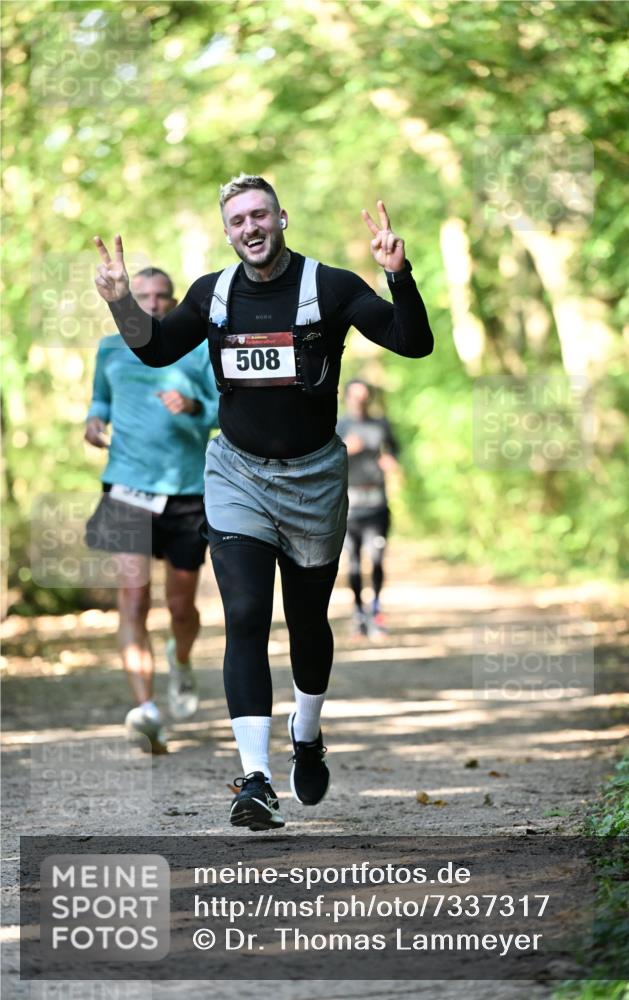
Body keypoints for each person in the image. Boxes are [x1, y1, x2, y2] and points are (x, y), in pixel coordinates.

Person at [92, 174, 433, 829]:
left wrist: (397, 273)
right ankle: (255, 779)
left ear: (281, 218)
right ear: (228, 231)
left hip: (313, 479)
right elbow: (157, 346)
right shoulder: (212, 294)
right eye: (237, 219)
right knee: (246, 613)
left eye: (259, 215)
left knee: (307, 623)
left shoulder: (329, 287)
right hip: (237, 475)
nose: (249, 227)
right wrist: (119, 303)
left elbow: (411, 341)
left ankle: (307, 734)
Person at [85, 267, 219, 754]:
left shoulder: (199, 348)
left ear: (174, 300)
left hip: (186, 493)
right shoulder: (110, 348)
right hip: (127, 488)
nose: (155, 303)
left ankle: (180, 662)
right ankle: (146, 709)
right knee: (134, 599)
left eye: (164, 296)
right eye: (144, 296)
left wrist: (195, 407)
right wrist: (95, 417)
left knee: (181, 607)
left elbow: (226, 409)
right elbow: (101, 396)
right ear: (130, 299)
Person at [337, 379, 400, 639]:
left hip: (377, 504)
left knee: (375, 559)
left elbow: (396, 448)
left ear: (369, 399)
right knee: (352, 563)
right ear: (348, 398)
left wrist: (391, 459)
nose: (360, 401)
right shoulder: (339, 426)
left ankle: (376, 610)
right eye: (355, 397)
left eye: (364, 397)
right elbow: (325, 460)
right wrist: (345, 451)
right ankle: (358, 614)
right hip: (350, 508)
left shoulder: (380, 424)